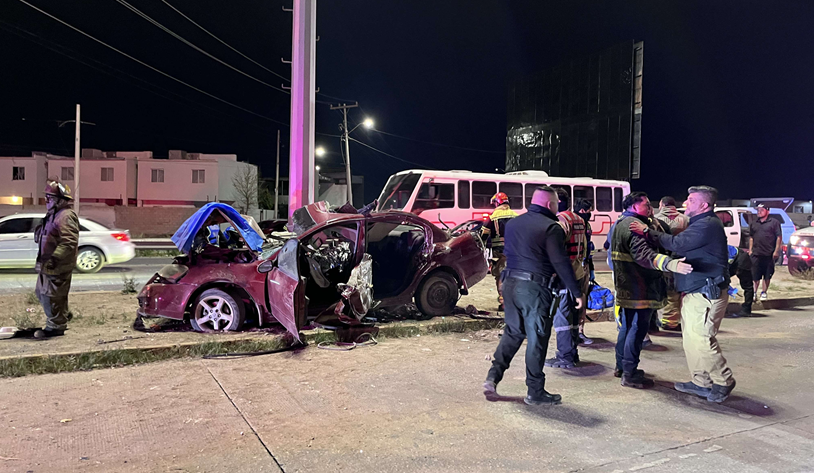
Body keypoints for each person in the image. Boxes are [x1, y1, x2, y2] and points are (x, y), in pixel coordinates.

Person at [630, 185, 735, 403]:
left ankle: (723, 380)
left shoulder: (707, 224)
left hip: (706, 292)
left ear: (704, 205)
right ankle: (700, 382)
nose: (686, 203)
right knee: (691, 340)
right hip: (695, 291)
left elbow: (677, 243)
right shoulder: (700, 223)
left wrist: (647, 232)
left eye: (691, 200)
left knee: (702, 339)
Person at [483, 186, 583, 406]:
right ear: (550, 204)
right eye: (556, 203)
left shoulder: (514, 223)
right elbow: (559, 261)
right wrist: (576, 291)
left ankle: (493, 376)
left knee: (513, 332)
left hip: (509, 284)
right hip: (534, 290)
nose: (558, 208)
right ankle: (535, 392)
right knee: (537, 339)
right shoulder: (551, 227)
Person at [613, 192, 692, 389]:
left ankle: (622, 367)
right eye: (646, 205)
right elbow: (644, 255)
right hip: (640, 288)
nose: (650, 208)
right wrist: (670, 264)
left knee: (627, 327)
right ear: (633, 207)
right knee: (637, 329)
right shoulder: (634, 227)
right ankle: (630, 374)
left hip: (628, 287)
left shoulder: (623, 222)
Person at [545, 188, 589, 369]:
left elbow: (557, 248)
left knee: (561, 317)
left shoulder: (561, 220)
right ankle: (572, 352)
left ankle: (565, 357)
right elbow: (585, 246)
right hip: (578, 271)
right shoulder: (578, 219)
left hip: (565, 274)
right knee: (572, 316)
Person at [33, 179, 79, 339]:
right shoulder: (54, 214)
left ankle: (55, 327)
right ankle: (61, 314)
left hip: (57, 265)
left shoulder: (65, 216)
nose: (46, 200)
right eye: (46, 197)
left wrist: (55, 258)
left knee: (51, 296)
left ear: (61, 200)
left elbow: (69, 241)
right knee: (41, 292)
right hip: (47, 264)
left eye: (50, 197)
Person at [481, 192, 518, 311]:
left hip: (499, 253)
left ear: (497, 203)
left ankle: (504, 303)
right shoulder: (516, 215)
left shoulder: (493, 217)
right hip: (515, 253)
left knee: (501, 276)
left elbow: (484, 235)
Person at [748, 204, 782, 302]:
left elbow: (779, 237)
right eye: (758, 210)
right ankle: (754, 293)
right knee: (755, 275)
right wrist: (750, 250)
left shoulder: (774, 222)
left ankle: (764, 292)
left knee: (767, 275)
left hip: (769, 254)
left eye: (761, 210)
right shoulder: (754, 223)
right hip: (756, 253)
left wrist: (776, 250)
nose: (759, 211)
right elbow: (751, 237)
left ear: (768, 211)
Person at [727, 245, 754, 318]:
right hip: (733, 261)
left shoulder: (716, 250)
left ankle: (746, 310)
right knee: (722, 282)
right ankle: (722, 307)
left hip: (741, 259)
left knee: (747, 286)